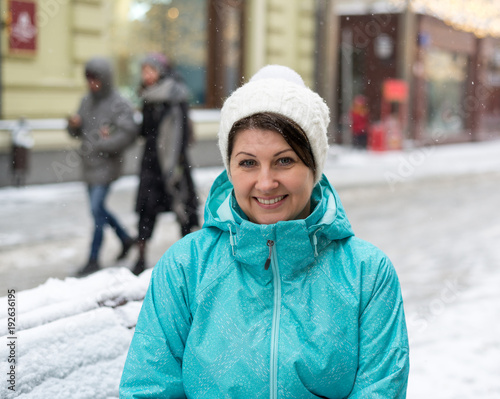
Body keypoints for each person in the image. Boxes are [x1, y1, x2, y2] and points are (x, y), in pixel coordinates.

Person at [120, 65, 409, 398]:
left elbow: (380, 390)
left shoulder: (366, 275)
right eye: (248, 162)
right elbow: (148, 388)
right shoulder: (186, 268)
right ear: (229, 169)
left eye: (284, 161)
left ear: (314, 168)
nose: (266, 182)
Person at [67, 57, 137, 276]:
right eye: (89, 80)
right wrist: (73, 125)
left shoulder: (119, 103)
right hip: (88, 165)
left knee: (97, 210)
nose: (92, 84)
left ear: (105, 79)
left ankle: (93, 258)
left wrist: (104, 143)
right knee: (98, 210)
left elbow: (128, 133)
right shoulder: (86, 101)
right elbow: (75, 132)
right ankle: (125, 238)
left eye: (96, 80)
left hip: (107, 166)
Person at [133, 53, 199, 276]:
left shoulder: (174, 96)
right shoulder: (148, 99)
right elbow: (144, 132)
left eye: (150, 70)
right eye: (144, 71)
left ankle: (193, 257)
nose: (146, 75)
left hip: (173, 161)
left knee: (184, 210)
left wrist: (174, 165)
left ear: (160, 72)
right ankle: (140, 258)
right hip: (151, 162)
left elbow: (179, 134)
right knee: (146, 211)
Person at [10, 116, 34, 187]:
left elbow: (30, 142)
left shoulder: (26, 130)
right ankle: (18, 182)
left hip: (22, 153)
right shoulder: (17, 129)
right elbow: (17, 139)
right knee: (18, 168)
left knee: (21, 168)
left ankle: (21, 182)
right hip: (18, 152)